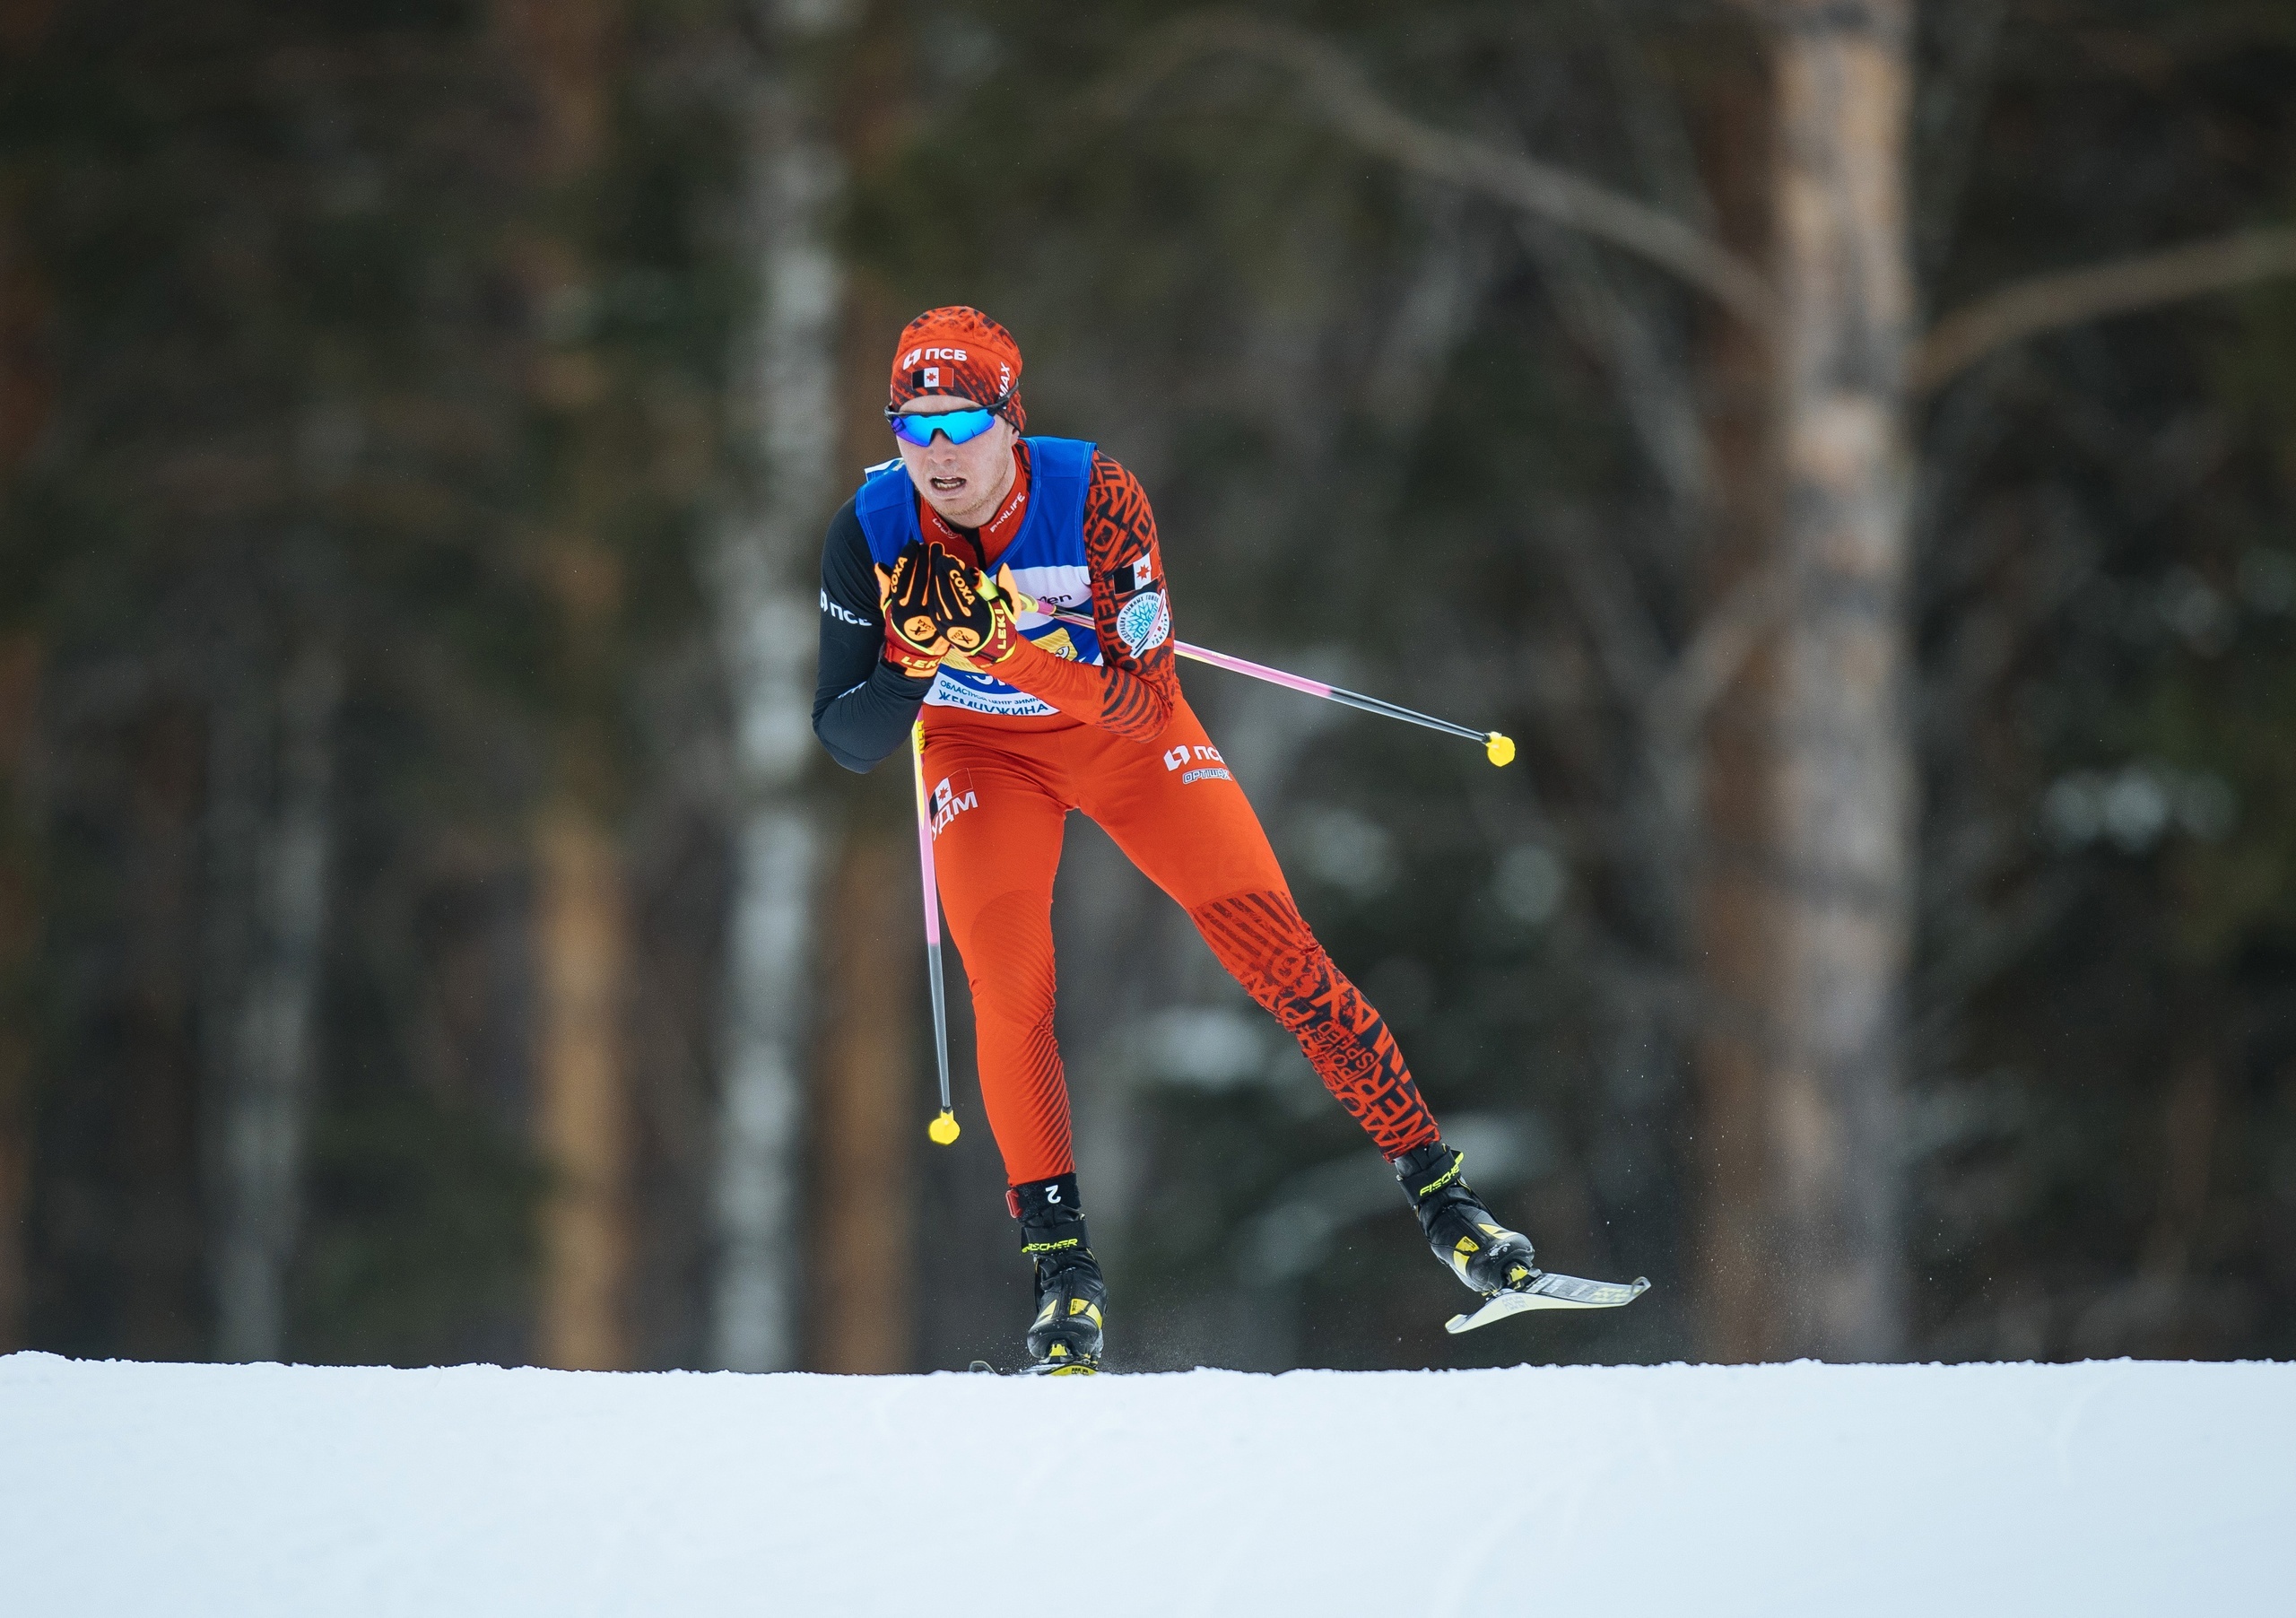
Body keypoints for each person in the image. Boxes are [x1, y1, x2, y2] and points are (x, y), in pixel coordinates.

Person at [812, 306, 1541, 1372]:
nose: (936, 454)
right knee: (1010, 986)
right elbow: (846, 738)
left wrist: (1005, 645)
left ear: (1011, 422)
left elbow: (1146, 707)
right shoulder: (869, 527)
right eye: (911, 426)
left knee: (1274, 948)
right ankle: (1063, 1275)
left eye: (960, 422)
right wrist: (913, 662)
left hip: (1119, 737)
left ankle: (1447, 1205)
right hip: (979, 757)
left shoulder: (1093, 496)